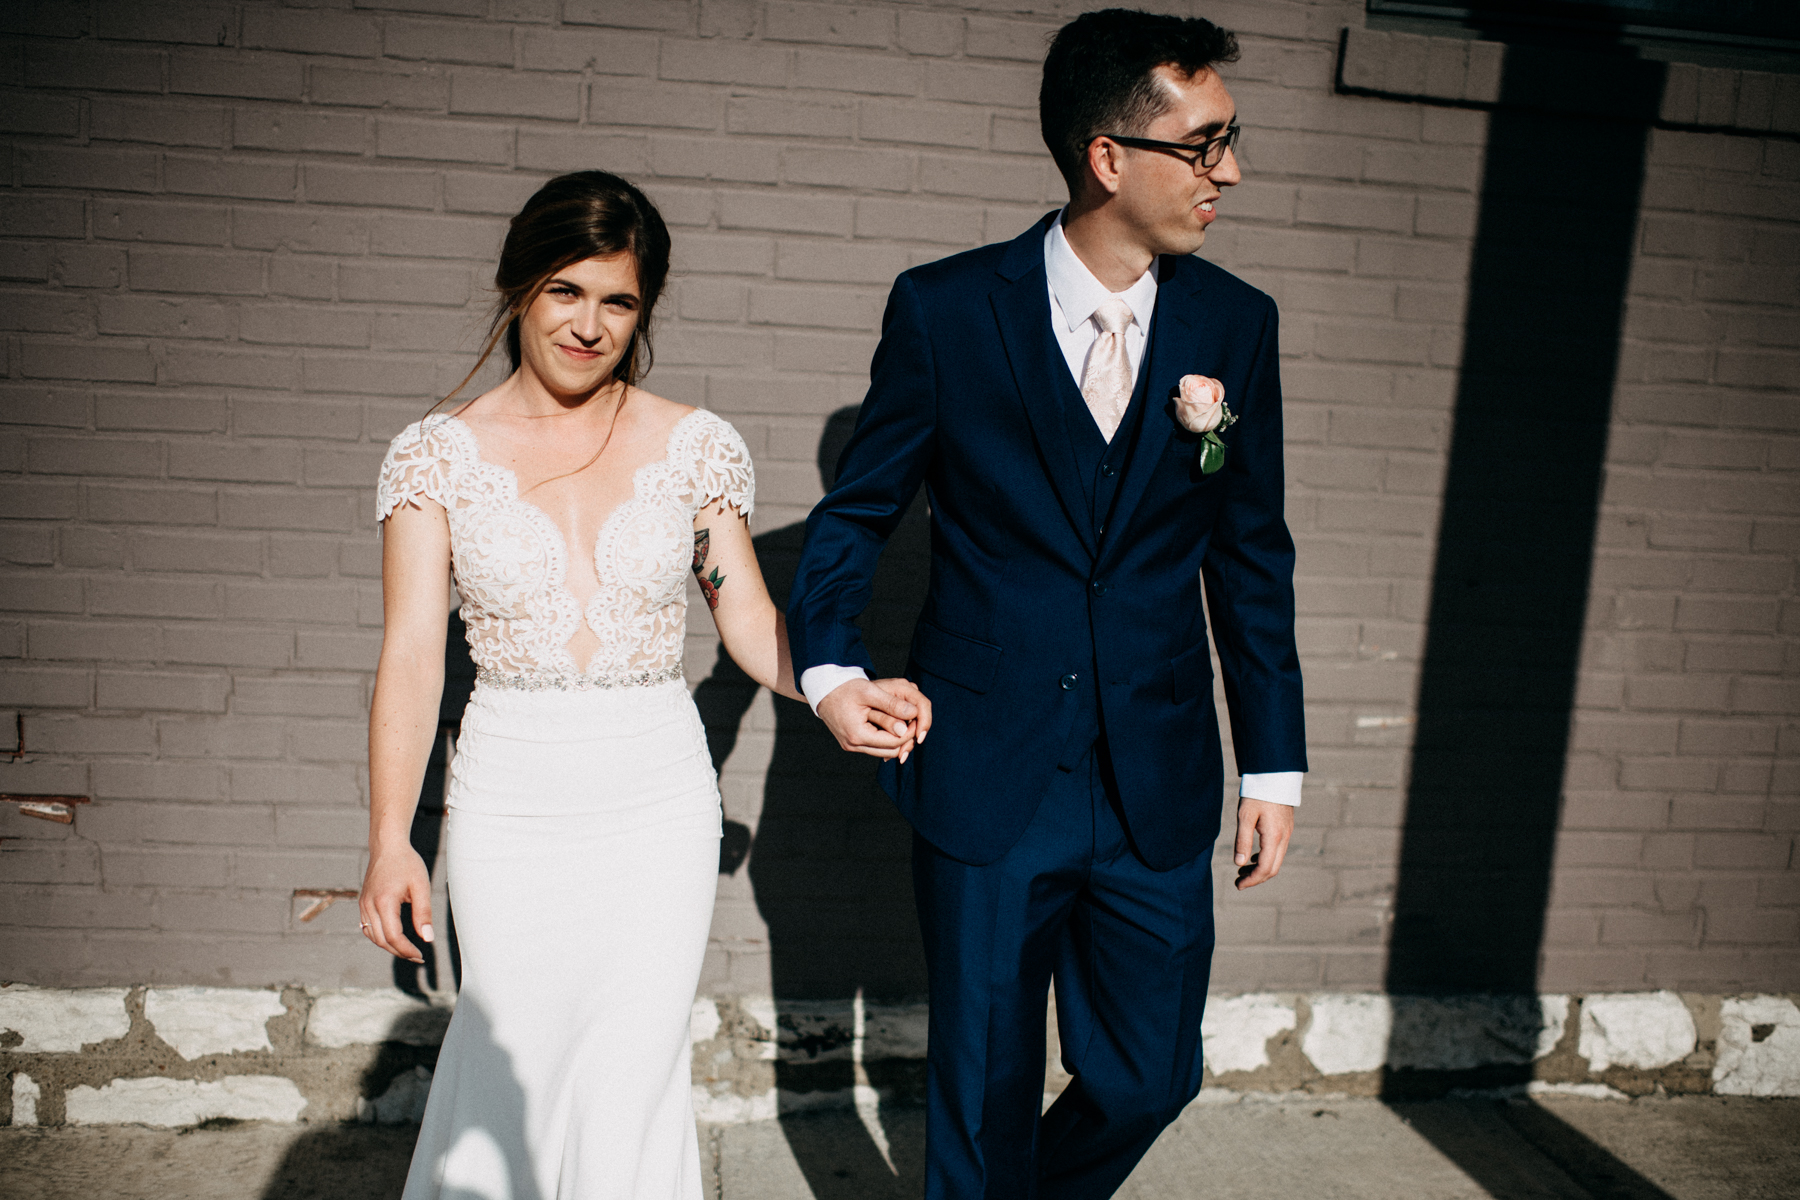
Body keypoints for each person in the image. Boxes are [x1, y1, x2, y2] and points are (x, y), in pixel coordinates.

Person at [787, 10, 1307, 1198]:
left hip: (1155, 773)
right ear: (1107, 155)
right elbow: (858, 513)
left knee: (1149, 1076)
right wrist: (832, 672)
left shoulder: (1236, 324)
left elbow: (1251, 556)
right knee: (981, 1093)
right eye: (1205, 144)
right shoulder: (947, 310)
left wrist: (1273, 764)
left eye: (1230, 140)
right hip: (987, 762)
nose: (1229, 171)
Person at [358, 171, 881, 1200]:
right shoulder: (434, 458)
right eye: (566, 291)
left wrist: (833, 688)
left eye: (619, 301)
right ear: (518, 284)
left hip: (656, 800)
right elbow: (412, 658)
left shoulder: (694, 446)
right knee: (513, 1062)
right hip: (511, 798)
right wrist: (390, 841)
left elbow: (747, 622)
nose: (590, 325)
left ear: (644, 310)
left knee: (631, 1073)